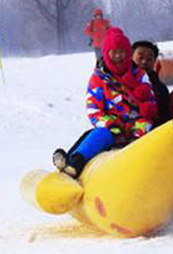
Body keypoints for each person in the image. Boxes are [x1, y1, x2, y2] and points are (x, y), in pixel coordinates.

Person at [53, 27, 157, 178]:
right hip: (111, 126)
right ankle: (75, 163)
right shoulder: (98, 79)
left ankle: (147, 171)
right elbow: (94, 109)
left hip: (137, 124)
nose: (118, 56)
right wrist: (110, 125)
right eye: (114, 52)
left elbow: (151, 102)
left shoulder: (140, 76)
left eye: (122, 52)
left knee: (147, 133)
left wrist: (145, 110)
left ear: (128, 53)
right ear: (107, 54)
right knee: (99, 135)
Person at [131, 40, 170, 127]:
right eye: (140, 58)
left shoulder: (160, 89)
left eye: (149, 59)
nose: (144, 62)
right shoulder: (120, 82)